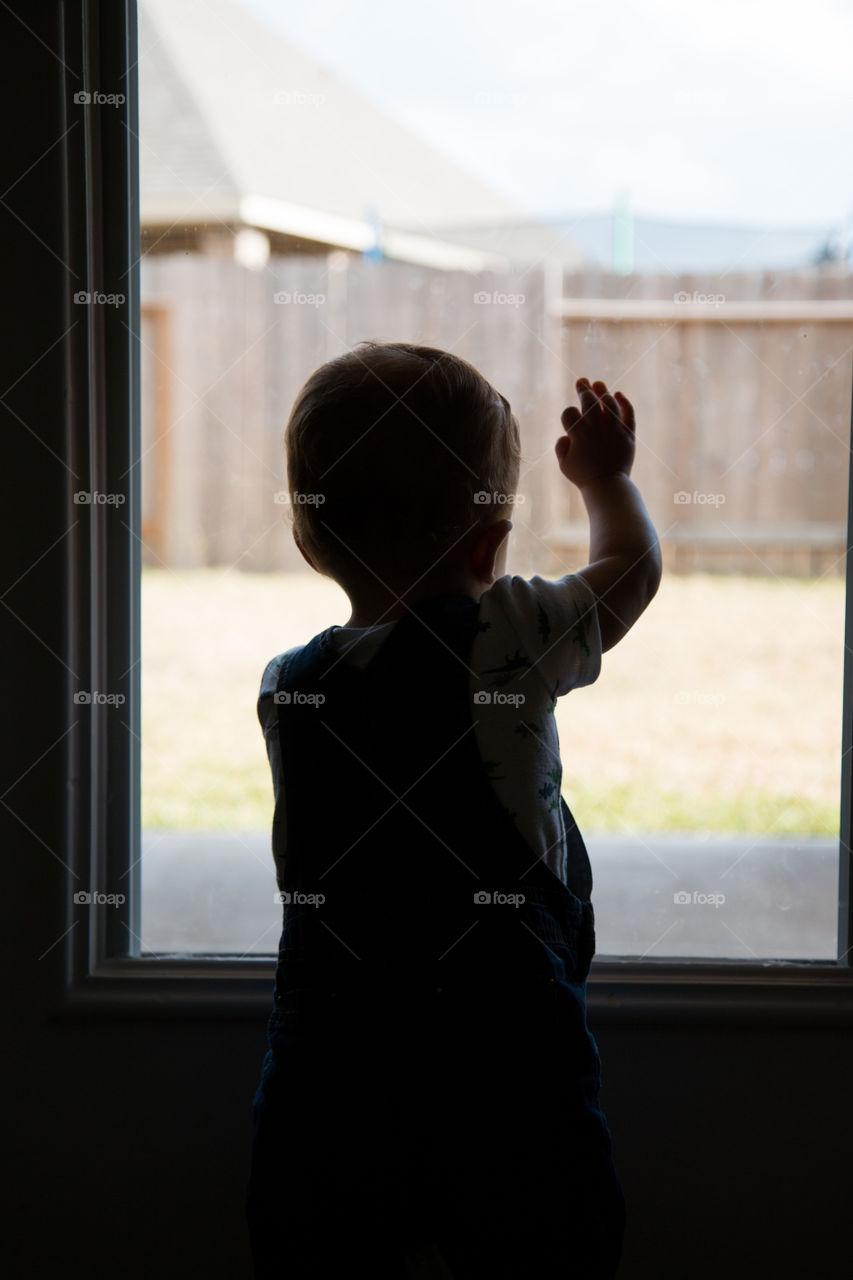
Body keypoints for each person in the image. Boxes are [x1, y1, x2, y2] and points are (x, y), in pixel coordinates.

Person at [245, 342, 662, 1279]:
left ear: (311, 545)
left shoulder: (286, 689)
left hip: (328, 1075)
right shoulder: (503, 636)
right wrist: (605, 481)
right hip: (501, 1064)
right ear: (487, 547)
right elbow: (630, 571)